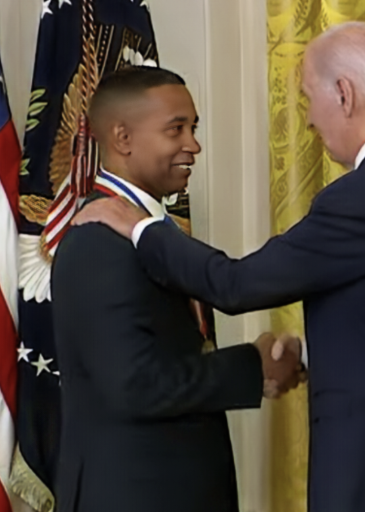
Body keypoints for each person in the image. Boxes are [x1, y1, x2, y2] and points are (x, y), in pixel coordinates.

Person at [72, 22, 365, 512]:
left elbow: (235, 284)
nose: (310, 120)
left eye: (309, 98)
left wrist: (143, 227)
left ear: (344, 93)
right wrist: (311, 357)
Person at [50, 66, 302, 512]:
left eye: (194, 128)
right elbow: (133, 383)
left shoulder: (151, 233)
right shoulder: (98, 240)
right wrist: (251, 368)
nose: (194, 145)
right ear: (123, 138)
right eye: (176, 129)